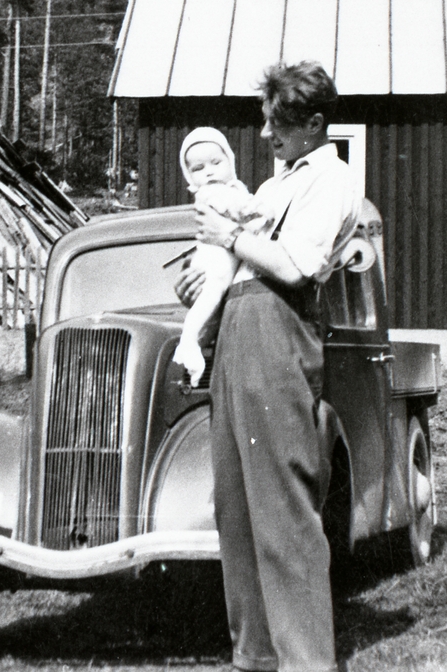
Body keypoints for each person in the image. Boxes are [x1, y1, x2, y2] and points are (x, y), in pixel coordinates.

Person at [176, 60, 362, 672]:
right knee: (235, 508)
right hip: (237, 326)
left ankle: (307, 661)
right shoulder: (277, 184)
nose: (264, 136)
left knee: (282, 507)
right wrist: (203, 282)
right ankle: (255, 657)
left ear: (313, 123)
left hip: (278, 329)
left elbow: (292, 267)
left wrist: (228, 239)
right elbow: (245, 260)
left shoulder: (331, 179)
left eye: (277, 125)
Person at [172, 127, 273, 382]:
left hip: (226, 260)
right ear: (190, 178)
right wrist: (259, 210)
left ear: (231, 161)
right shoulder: (211, 193)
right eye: (198, 168)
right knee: (211, 293)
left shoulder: (235, 188)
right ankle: (189, 342)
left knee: (212, 300)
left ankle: (192, 341)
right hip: (214, 260)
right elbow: (236, 210)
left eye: (216, 162)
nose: (209, 171)